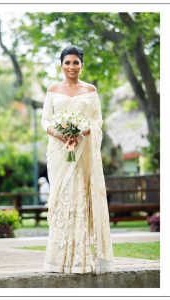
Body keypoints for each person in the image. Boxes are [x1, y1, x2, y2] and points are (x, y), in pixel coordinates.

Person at [41, 45, 113, 274]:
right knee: (61, 197)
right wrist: (61, 135)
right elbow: (45, 121)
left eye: (76, 62)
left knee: (80, 196)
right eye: (67, 62)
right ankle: (57, 259)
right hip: (59, 152)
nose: (71, 67)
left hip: (83, 150)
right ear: (61, 65)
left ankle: (81, 260)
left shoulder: (90, 90)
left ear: (82, 65)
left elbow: (97, 121)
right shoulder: (53, 89)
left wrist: (79, 134)